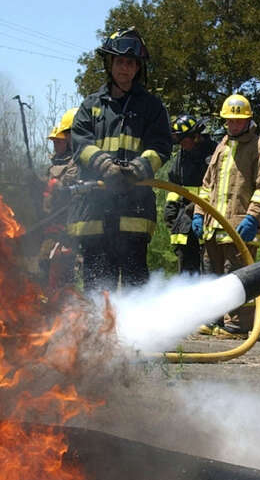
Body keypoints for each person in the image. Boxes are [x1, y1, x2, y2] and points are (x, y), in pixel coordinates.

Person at [65, 28, 172, 294]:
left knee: (136, 285)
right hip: (96, 208)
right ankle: (98, 323)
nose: (125, 68)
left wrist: (138, 169)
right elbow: (80, 142)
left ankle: (136, 324)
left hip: (134, 208)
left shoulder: (152, 107)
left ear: (138, 67)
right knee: (98, 285)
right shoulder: (91, 106)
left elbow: (161, 146)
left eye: (131, 63)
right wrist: (105, 166)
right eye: (120, 61)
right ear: (110, 63)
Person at [192, 93, 260, 336]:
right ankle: (213, 319)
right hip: (213, 227)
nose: (233, 125)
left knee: (237, 278)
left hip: (240, 227)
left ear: (248, 120)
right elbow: (207, 186)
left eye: (238, 121)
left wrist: (253, 217)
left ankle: (237, 324)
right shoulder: (222, 147)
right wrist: (199, 212)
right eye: (229, 120)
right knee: (211, 275)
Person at [163, 115, 215, 275]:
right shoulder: (182, 157)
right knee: (187, 274)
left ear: (195, 136)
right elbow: (174, 187)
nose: (181, 145)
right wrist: (171, 213)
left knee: (209, 272)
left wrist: (199, 210)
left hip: (209, 220)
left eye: (183, 141)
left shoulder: (214, 153)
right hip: (185, 222)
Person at [40, 109, 79, 291]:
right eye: (54, 142)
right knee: (45, 260)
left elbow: (67, 187)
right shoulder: (53, 164)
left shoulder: (76, 163)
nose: (55, 145)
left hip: (70, 222)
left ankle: (68, 298)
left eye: (59, 141)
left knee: (65, 262)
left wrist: (55, 186)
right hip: (52, 221)